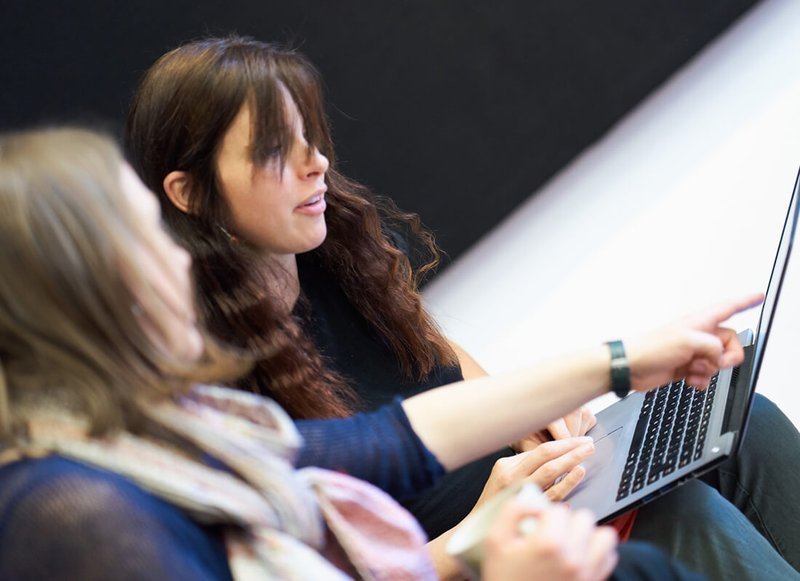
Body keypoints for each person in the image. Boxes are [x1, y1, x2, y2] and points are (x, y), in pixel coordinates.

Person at [124, 36, 800, 580]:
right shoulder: (208, 387)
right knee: (685, 517)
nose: (317, 163)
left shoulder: (334, 249)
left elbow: (442, 366)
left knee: (747, 425)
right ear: (189, 192)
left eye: (311, 134)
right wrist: (480, 531)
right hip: (471, 557)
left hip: (538, 505)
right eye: (277, 150)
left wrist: (537, 413)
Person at [0, 127, 724, 579]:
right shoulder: (75, 513)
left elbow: (386, 441)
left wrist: (621, 361)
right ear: (80, 297)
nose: (179, 260)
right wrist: (481, 561)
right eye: (144, 236)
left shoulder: (169, 436)